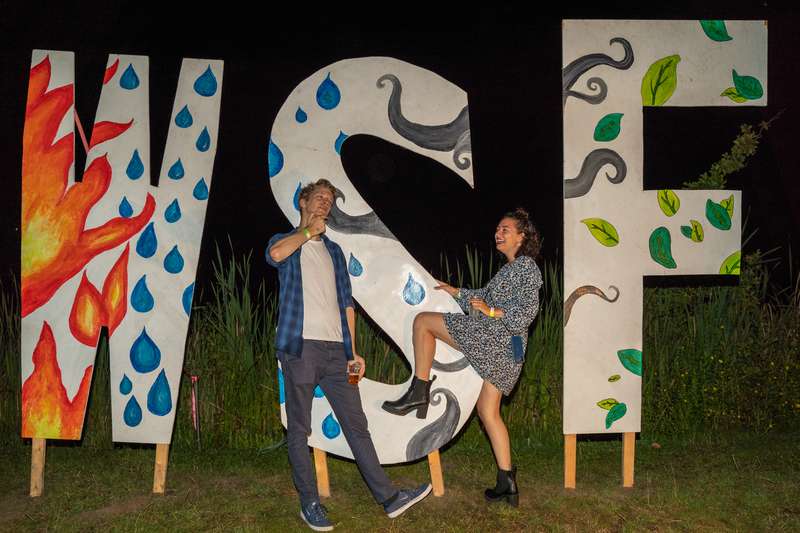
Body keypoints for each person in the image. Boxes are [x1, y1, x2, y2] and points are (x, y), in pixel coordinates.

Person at [266, 178, 431, 531]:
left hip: (336, 354)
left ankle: (389, 498)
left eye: (329, 200)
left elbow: (347, 305)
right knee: (299, 429)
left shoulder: (335, 252)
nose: (325, 203)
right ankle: (310, 503)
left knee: (357, 426)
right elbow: (276, 255)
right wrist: (308, 233)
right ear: (303, 202)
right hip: (300, 348)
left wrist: (353, 351)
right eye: (319, 197)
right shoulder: (287, 240)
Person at [382, 207, 543, 507]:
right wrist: (456, 291)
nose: (498, 233)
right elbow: (483, 297)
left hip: (496, 340)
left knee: (423, 322)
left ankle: (419, 390)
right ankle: (507, 483)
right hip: (508, 351)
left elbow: (526, 312)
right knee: (489, 412)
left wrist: (491, 312)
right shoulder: (511, 269)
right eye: (497, 228)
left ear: (522, 236)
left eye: (505, 229)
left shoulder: (526, 267)